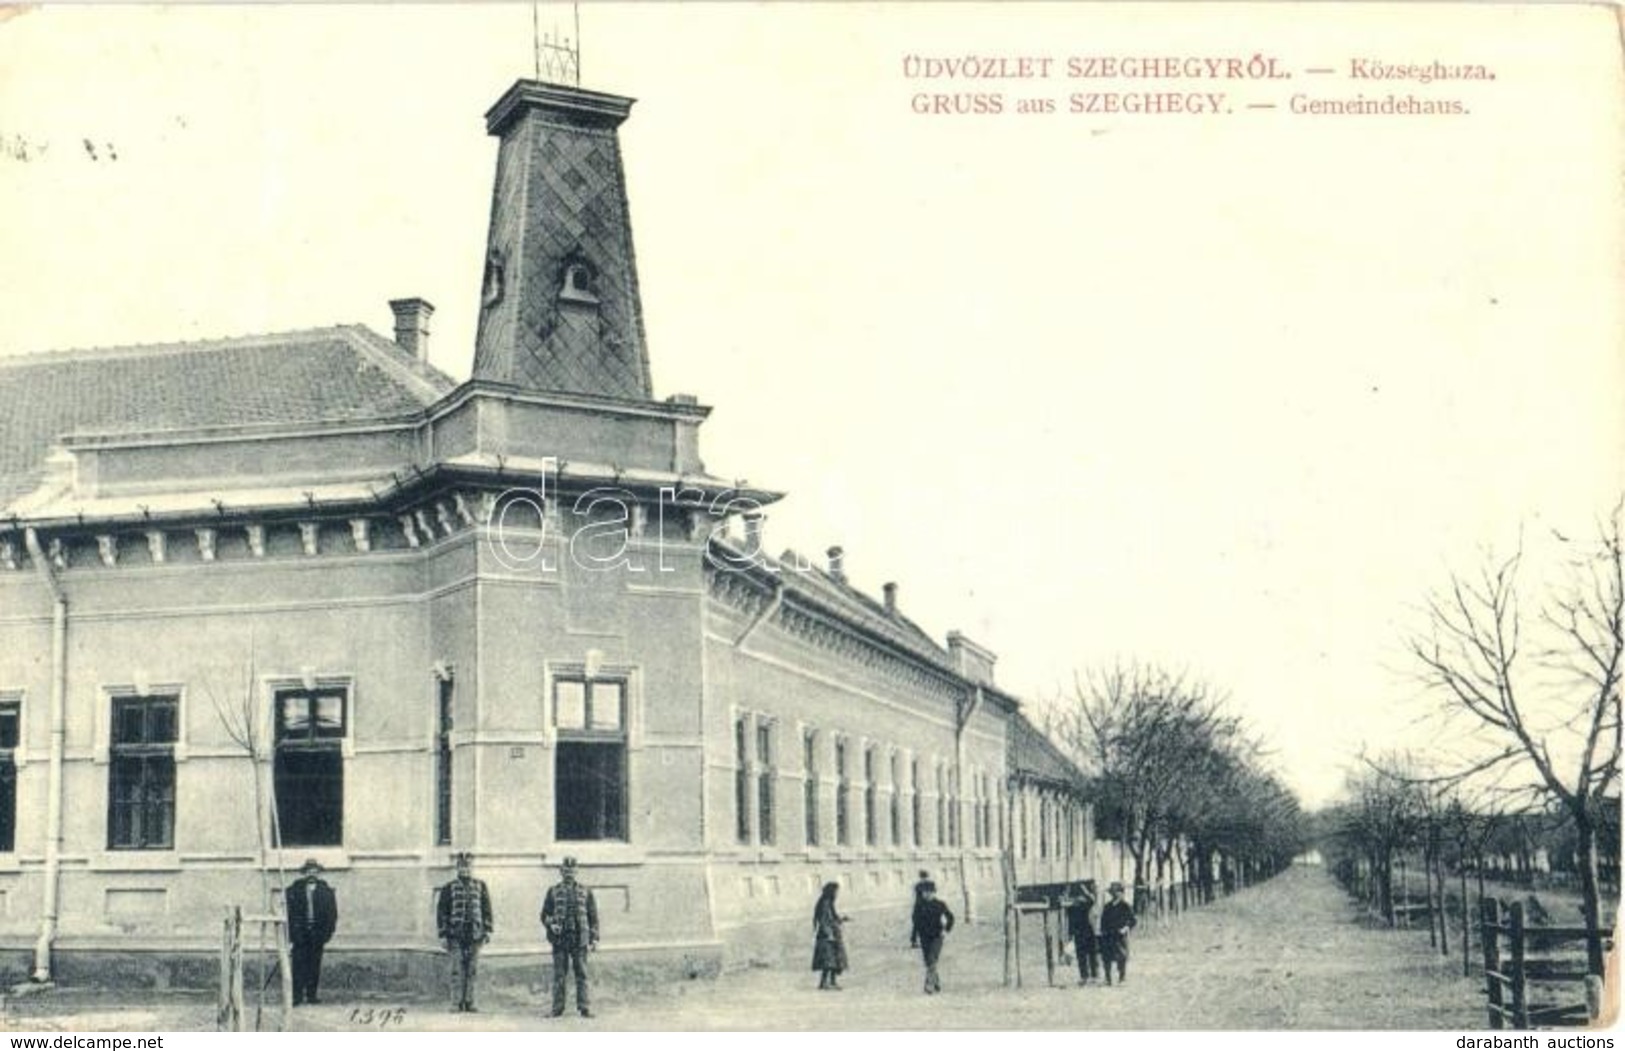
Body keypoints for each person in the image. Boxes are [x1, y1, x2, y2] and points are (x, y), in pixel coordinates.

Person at [541, 856, 599, 1018]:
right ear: (561, 872)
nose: (569, 874)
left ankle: (584, 1007)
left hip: (579, 938)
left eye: (572, 871)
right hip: (560, 939)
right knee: (560, 974)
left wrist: (594, 938)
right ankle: (557, 1008)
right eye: (566, 871)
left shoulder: (586, 891)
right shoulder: (553, 891)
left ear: (577, 871)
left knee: (582, 973)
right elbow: (545, 914)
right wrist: (552, 924)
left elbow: (592, 916)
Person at [435, 852, 493, 1013]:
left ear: (471, 867)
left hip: (475, 934)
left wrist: (487, 930)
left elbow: (486, 909)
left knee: (472, 969)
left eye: (467, 866)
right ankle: (456, 1002)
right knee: (456, 969)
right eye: (462, 866)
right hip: (455, 934)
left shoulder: (481, 886)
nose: (465, 869)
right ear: (457, 868)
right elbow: (442, 913)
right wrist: (443, 935)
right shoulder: (449, 888)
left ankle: (470, 1002)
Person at [284, 858, 337, 1006]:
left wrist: (326, 934)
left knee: (314, 965)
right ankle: (297, 996)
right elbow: (288, 914)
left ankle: (312, 995)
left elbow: (332, 915)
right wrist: (292, 934)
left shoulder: (327, 892)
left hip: (317, 935)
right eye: (309, 871)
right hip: (299, 935)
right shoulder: (293, 891)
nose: (312, 874)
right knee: (298, 965)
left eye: (315, 871)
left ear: (319, 873)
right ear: (304, 873)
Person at [910, 879, 955, 994]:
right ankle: (936, 982)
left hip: (937, 936)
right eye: (926, 892)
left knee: (931, 959)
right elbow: (916, 924)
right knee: (929, 962)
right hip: (924, 938)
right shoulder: (918, 907)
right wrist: (914, 939)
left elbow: (950, 917)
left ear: (934, 892)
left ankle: (929, 985)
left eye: (930, 891)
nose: (928, 894)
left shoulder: (940, 904)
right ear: (923, 893)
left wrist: (946, 930)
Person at [811, 882, 849, 990]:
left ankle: (831, 982)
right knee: (828, 961)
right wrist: (829, 934)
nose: (837, 894)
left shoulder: (828, 902)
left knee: (835, 961)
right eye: (836, 891)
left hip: (832, 933)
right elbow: (823, 920)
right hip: (827, 935)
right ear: (831, 891)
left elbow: (832, 917)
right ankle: (824, 983)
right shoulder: (824, 903)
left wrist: (842, 919)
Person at [1098, 880, 1137, 986]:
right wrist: (1102, 932)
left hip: (1120, 935)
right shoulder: (1107, 906)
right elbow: (1103, 920)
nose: (1115, 894)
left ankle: (1122, 978)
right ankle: (1108, 978)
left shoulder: (1125, 906)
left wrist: (1126, 928)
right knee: (1106, 957)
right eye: (1113, 893)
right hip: (1108, 935)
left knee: (1121, 957)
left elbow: (1133, 920)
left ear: (1121, 893)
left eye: (1117, 892)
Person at [1064, 881, 1099, 986]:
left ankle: (1094, 976)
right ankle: (1085, 976)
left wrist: (1084, 890)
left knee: (1091, 953)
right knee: (1081, 955)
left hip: (1088, 930)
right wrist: (1070, 935)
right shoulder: (1071, 907)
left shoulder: (1085, 903)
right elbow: (1070, 920)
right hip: (1079, 932)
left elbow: (1092, 900)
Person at [908, 870, 931, 949]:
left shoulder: (917, 885)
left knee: (917, 925)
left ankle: (914, 941)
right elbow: (929, 895)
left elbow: (914, 895)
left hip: (918, 906)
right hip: (925, 906)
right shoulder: (929, 884)